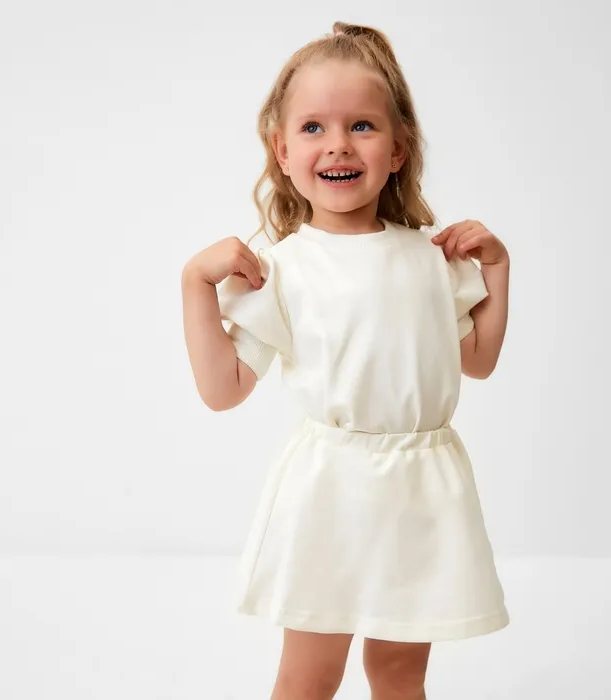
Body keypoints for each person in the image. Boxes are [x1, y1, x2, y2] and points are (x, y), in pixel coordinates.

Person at [181, 20, 511, 700]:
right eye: (313, 128)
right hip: (329, 493)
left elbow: (478, 360)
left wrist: (498, 270)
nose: (337, 144)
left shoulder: (432, 258)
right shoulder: (281, 270)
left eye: (362, 125)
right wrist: (194, 285)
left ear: (399, 148)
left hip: (422, 491)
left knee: (399, 673)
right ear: (281, 150)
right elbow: (222, 389)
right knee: (309, 677)